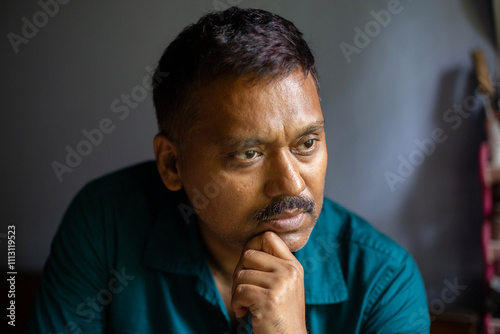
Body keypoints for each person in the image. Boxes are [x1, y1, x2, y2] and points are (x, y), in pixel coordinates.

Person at [27, 6, 430, 334]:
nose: (291, 184)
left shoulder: (385, 283)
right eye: (248, 154)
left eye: (306, 144)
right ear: (172, 164)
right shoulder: (105, 223)